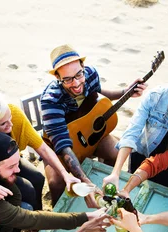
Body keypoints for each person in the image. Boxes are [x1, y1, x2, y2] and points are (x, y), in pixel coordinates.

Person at [41, 44, 146, 207]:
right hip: (58, 147)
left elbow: (99, 95)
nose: (76, 84)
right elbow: (62, 145)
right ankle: (58, 210)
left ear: (83, 67)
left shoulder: (90, 75)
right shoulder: (51, 100)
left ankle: (106, 191)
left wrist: (126, 91)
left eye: (78, 74)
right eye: (67, 79)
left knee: (115, 153)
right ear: (57, 78)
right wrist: (86, 183)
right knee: (56, 183)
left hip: (89, 135)